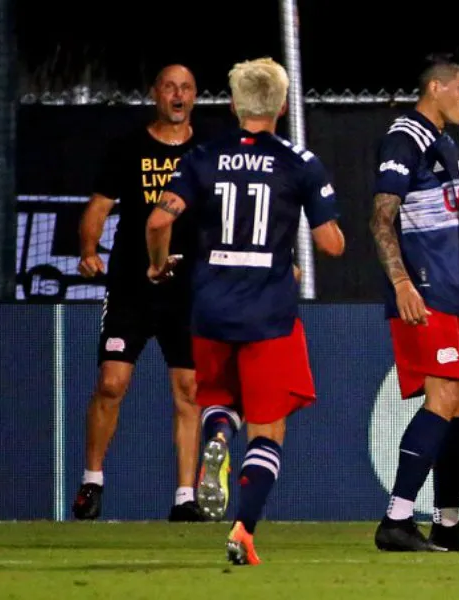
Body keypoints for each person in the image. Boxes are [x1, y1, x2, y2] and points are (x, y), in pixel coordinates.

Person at [145, 56, 345, 565]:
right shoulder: (299, 161)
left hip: (211, 308)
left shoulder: (203, 156)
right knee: (268, 427)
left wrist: (158, 265)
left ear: (234, 106)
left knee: (218, 400)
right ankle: (243, 531)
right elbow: (331, 245)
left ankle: (217, 434)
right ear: (282, 106)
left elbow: (157, 222)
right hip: (269, 315)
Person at [369, 49, 459, 552]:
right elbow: (381, 218)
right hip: (424, 292)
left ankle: (447, 523)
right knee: (444, 396)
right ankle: (396, 521)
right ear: (436, 87)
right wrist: (402, 284)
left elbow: (455, 234)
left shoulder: (447, 143)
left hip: (454, 292)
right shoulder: (405, 138)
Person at [72, 64, 205, 522]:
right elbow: (98, 207)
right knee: (112, 382)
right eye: (170, 87)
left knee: (189, 389)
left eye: (186, 88)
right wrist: (88, 250)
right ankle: (92, 481)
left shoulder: (206, 151)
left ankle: (186, 497)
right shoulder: (128, 147)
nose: (178, 95)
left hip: (187, 288)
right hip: (132, 284)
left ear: (194, 96)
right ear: (155, 94)